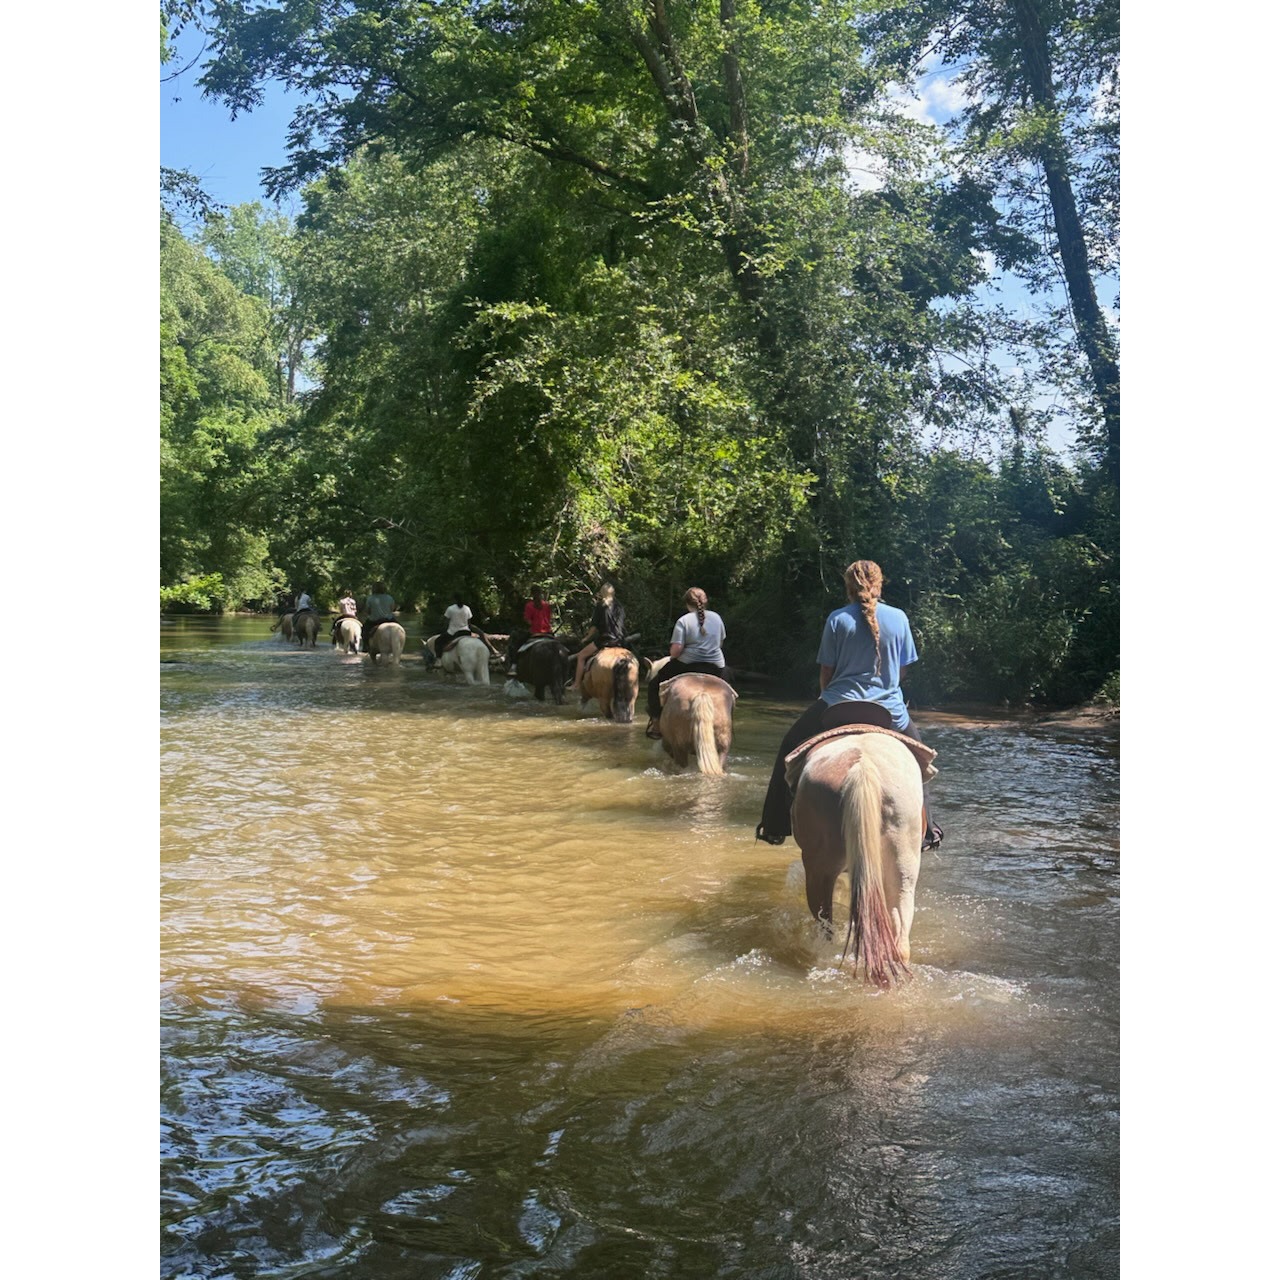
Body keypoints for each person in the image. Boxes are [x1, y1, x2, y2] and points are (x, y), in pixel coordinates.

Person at [755, 559, 942, 851]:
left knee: (788, 745)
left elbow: (826, 673)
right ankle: (928, 831)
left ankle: (774, 825)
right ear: (879, 584)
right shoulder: (900, 618)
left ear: (849, 587)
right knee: (921, 763)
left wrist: (826, 697)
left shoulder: (837, 619)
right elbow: (904, 670)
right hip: (889, 711)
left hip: (838, 704)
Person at [644, 587, 728, 739]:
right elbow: (719, 644)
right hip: (716, 667)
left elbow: (675, 652)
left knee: (654, 684)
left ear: (687, 604)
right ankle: (726, 723)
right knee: (728, 694)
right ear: (706, 601)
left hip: (687, 665)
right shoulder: (717, 618)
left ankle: (656, 723)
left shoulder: (683, 621)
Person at [569, 583, 627, 689]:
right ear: (613, 592)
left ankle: (576, 684)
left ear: (602, 593)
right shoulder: (620, 606)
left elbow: (593, 627)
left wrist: (586, 638)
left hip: (605, 640)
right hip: (619, 640)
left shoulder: (601, 606)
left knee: (581, 656)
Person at [434, 595, 502, 659]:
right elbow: (468, 623)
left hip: (453, 632)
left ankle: (438, 659)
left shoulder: (450, 608)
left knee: (438, 641)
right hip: (466, 631)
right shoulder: (467, 608)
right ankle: (493, 650)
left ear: (454, 599)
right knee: (481, 633)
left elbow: (446, 622)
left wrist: (442, 628)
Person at [362, 581, 397, 652]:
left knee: (364, 631)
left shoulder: (370, 598)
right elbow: (393, 609)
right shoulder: (389, 598)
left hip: (374, 621)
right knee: (400, 629)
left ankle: (366, 647)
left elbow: (368, 611)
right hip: (389, 620)